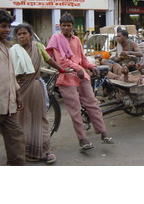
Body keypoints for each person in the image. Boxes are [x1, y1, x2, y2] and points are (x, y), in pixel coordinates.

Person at [46, 12, 113, 151]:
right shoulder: (56, 39)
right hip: (67, 77)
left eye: (68, 25)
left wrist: (92, 66)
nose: (65, 28)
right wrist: (78, 68)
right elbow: (61, 61)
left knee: (93, 104)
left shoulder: (76, 40)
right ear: (60, 26)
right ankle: (82, 139)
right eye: (63, 25)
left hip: (82, 76)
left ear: (72, 26)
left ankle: (103, 133)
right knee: (75, 110)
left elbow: (82, 58)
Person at [10, 23, 70, 163]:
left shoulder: (38, 47)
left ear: (31, 35)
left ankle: (46, 150)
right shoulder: (13, 50)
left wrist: (61, 69)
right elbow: (10, 68)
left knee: (40, 118)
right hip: (20, 88)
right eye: (19, 34)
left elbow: (48, 59)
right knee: (22, 120)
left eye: (25, 33)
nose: (22, 36)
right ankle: (26, 150)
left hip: (35, 86)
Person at [0, 9, 26, 166]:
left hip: (10, 106)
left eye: (8, 26)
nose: (7, 30)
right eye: (3, 26)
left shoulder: (7, 47)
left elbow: (10, 74)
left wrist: (18, 94)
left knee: (17, 142)